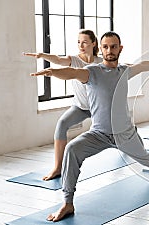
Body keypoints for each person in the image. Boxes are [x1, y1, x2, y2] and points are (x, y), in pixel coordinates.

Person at [30, 31, 149, 222]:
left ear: (120, 48)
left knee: (145, 158)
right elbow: (73, 73)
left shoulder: (124, 71)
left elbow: (142, 66)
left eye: (113, 46)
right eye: (105, 47)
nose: (109, 50)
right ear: (100, 48)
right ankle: (67, 202)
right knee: (72, 149)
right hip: (98, 134)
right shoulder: (92, 71)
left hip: (124, 133)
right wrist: (52, 72)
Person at [24, 29, 102, 180]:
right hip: (80, 107)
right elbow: (59, 60)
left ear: (93, 43)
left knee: (118, 128)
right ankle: (58, 167)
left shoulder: (100, 62)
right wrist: (42, 55)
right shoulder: (74, 60)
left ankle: (129, 149)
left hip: (99, 107)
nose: (81, 45)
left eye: (85, 42)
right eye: (79, 42)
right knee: (62, 124)